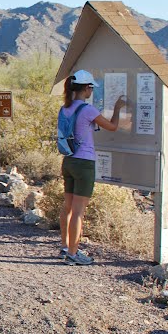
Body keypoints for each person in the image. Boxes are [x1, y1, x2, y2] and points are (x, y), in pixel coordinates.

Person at [58, 69, 125, 265]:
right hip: (84, 163)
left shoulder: (65, 108)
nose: (91, 92)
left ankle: (65, 246)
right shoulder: (87, 110)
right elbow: (112, 127)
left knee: (68, 207)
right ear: (86, 88)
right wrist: (118, 109)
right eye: (90, 88)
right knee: (79, 211)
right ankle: (73, 253)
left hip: (69, 160)